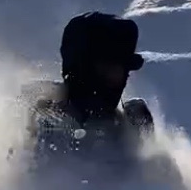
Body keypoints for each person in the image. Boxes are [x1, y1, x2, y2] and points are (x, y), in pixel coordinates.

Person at [27, 11, 154, 161]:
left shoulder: (133, 122)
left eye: (123, 69)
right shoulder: (44, 114)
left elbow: (149, 177)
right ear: (82, 69)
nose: (119, 78)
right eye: (108, 69)